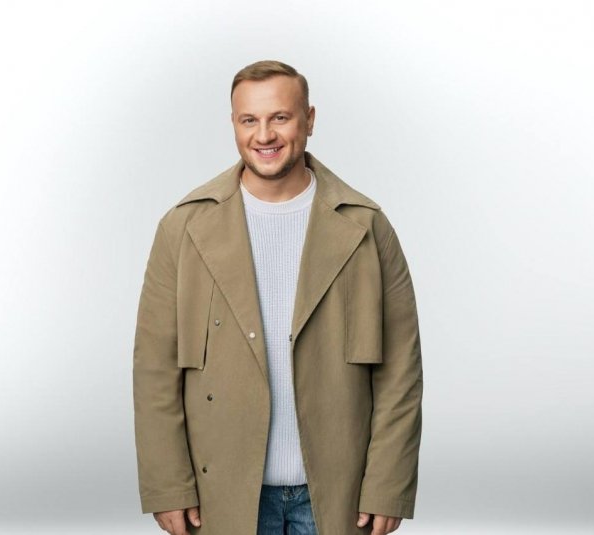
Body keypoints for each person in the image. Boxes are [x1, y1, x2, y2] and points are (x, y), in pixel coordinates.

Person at [133, 60, 423, 535]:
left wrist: (387, 485)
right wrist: (167, 485)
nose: (264, 135)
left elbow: (401, 372)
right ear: (233, 124)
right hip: (221, 490)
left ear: (309, 120)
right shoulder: (183, 227)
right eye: (249, 120)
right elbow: (154, 370)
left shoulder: (366, 226)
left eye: (280, 118)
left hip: (339, 492)